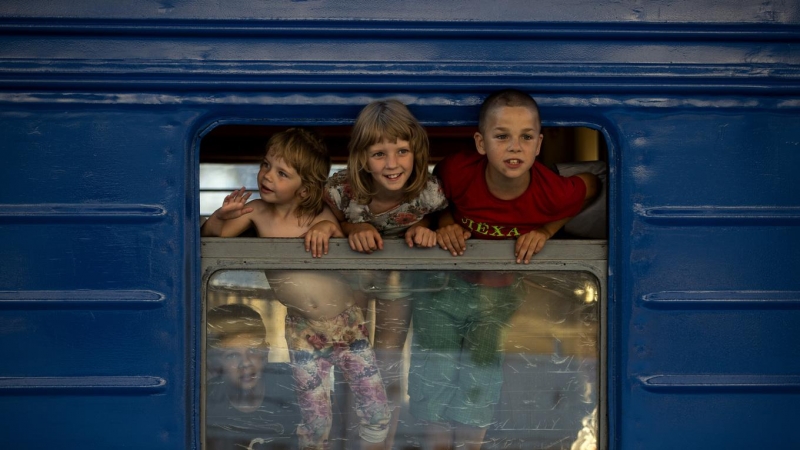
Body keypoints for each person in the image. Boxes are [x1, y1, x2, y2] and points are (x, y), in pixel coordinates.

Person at [408, 89, 599, 449]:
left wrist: (546, 229)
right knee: (434, 377)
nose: (515, 147)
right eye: (502, 136)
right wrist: (446, 222)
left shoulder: (551, 192)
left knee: (482, 381)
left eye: (526, 137)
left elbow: (594, 184)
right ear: (480, 143)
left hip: (497, 297)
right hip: (441, 290)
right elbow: (433, 201)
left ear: (539, 144)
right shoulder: (458, 171)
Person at [202, 128, 391, 450]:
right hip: (302, 329)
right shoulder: (258, 212)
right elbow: (215, 237)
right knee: (315, 415)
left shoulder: (317, 214)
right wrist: (222, 215)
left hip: (346, 324)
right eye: (266, 165)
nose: (267, 176)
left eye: (282, 173)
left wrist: (323, 227)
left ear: (304, 190)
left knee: (374, 406)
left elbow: (334, 227)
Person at [312, 99, 448, 448]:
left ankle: (380, 443)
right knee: (352, 355)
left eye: (402, 151)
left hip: (397, 277)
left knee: (388, 359)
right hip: (352, 274)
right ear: (361, 158)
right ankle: (345, 437)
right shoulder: (343, 188)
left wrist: (430, 228)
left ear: (416, 151)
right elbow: (323, 220)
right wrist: (349, 226)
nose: (392, 164)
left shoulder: (427, 191)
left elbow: (446, 218)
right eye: (379, 154)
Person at [206, 303, 301, 450]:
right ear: (216, 364)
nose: (245, 363)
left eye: (253, 350)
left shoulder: (295, 391)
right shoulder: (205, 402)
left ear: (266, 352)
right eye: (232, 355)